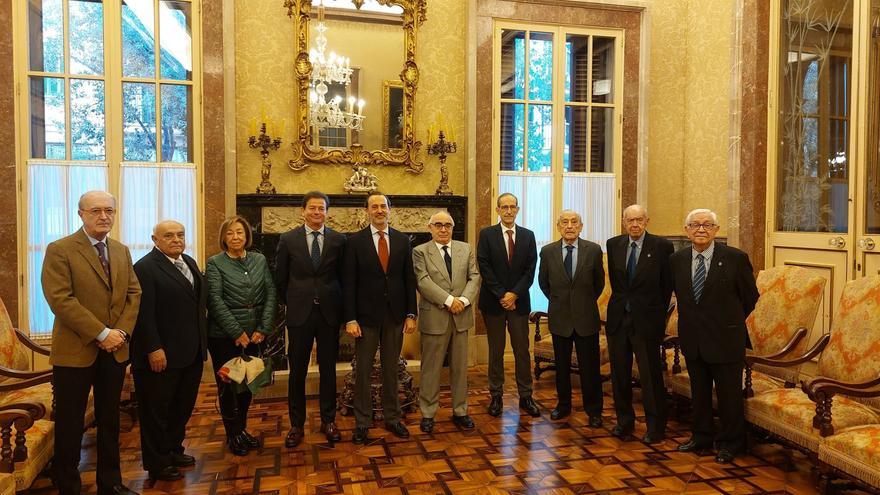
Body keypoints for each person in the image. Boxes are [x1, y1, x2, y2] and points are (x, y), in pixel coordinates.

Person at [41, 190, 141, 495]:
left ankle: (110, 483)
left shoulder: (122, 250)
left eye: (109, 210)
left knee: (109, 420)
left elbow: (133, 294)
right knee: (70, 423)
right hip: (75, 352)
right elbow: (61, 299)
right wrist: (101, 333)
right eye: (96, 210)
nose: (104, 216)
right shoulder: (60, 250)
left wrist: (120, 333)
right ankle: (68, 485)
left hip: (115, 350)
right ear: (81, 214)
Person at [671, 209, 759, 464]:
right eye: (695, 225)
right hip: (693, 338)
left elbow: (750, 297)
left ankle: (732, 443)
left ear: (717, 230)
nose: (701, 229)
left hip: (725, 338)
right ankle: (701, 437)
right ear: (686, 230)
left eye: (707, 225)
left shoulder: (735, 258)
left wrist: (727, 320)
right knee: (698, 392)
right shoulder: (676, 260)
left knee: (729, 394)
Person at [131, 220, 207, 481]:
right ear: (155, 240)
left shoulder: (189, 262)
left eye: (180, 234)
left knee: (181, 407)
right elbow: (142, 314)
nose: (176, 239)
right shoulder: (145, 268)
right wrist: (153, 348)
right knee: (156, 412)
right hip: (161, 355)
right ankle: (158, 463)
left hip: (191, 352)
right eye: (169, 235)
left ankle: (173, 449)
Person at [343, 192, 418, 444]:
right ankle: (362, 422)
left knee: (391, 369)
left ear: (389, 209)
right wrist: (350, 318)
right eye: (374, 206)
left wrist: (411, 313)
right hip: (365, 317)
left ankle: (393, 418)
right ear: (367, 211)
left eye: (383, 206)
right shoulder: (354, 241)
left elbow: (409, 279)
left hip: (395, 315)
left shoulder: (401, 240)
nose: (379, 210)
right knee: (363, 370)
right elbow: (349, 282)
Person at [275, 191, 347, 447]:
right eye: (312, 208)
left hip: (329, 313)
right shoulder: (288, 239)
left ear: (327, 212)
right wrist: (295, 301)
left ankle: (329, 420)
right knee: (298, 371)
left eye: (321, 209)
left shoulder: (339, 240)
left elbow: (343, 277)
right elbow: (280, 279)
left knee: (328, 369)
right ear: (302, 211)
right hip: (300, 314)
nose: (317, 213)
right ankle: (296, 425)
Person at [206, 215, 278, 456]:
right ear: (223, 238)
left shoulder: (259, 259)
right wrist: (237, 332)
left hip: (256, 335)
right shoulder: (215, 263)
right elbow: (214, 301)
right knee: (229, 388)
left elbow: (270, 294)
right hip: (224, 338)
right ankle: (232, 434)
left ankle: (242, 428)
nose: (235, 237)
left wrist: (263, 328)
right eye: (230, 233)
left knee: (248, 386)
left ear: (247, 236)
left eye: (240, 232)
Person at [605, 205, 673, 444]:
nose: (634, 224)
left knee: (650, 377)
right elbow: (617, 284)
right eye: (630, 220)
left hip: (647, 321)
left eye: (639, 220)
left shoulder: (662, 246)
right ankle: (624, 421)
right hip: (618, 319)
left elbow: (667, 286)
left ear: (647, 221)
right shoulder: (614, 244)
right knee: (619, 374)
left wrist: (656, 316)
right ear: (624, 222)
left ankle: (656, 427)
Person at [412, 211, 481, 433]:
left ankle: (460, 411)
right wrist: (450, 300)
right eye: (438, 225)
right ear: (430, 227)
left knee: (460, 368)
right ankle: (428, 413)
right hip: (435, 317)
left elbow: (475, 277)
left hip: (461, 317)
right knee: (431, 369)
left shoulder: (465, 248)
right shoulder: (420, 251)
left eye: (448, 225)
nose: (443, 229)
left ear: (452, 227)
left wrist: (463, 300)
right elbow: (422, 281)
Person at [537, 210, 605, 427]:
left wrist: (581, 303)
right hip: (560, 319)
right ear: (558, 226)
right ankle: (563, 405)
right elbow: (544, 283)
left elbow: (599, 284)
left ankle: (594, 410)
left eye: (573, 222)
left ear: (581, 226)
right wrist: (561, 302)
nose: (569, 226)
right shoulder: (547, 252)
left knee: (590, 369)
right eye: (564, 222)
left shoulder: (593, 250)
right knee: (562, 368)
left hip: (586, 319)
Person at [477, 193, 539, 417]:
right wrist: (503, 295)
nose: (509, 211)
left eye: (513, 207)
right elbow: (484, 266)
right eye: (504, 207)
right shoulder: (487, 235)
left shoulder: (528, 236)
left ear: (518, 209)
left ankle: (526, 396)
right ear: (497, 210)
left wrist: (514, 295)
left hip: (519, 304)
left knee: (522, 351)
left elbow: (530, 270)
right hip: (493, 303)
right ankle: (496, 396)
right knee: (495, 351)